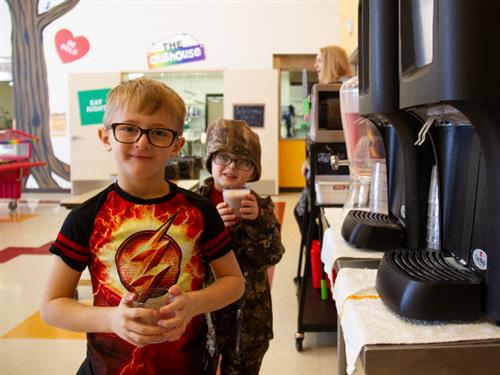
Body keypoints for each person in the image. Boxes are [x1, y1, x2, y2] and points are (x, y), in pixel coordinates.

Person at [40, 78, 245, 375]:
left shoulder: (199, 212)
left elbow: (234, 283)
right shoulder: (85, 218)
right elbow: (52, 305)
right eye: (128, 128)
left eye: (159, 132)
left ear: (177, 145)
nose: (142, 141)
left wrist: (192, 304)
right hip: (109, 367)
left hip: (186, 364)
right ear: (105, 137)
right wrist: (111, 320)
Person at [198, 118, 285, 374]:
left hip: (249, 319)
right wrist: (212, 232)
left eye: (244, 162)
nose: (231, 168)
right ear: (210, 159)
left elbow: (273, 256)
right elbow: (181, 261)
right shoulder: (194, 204)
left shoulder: (261, 206)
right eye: (223, 157)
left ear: (254, 170)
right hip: (203, 317)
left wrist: (258, 222)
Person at [295, 45, 354, 229]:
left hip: (334, 173)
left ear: (331, 61)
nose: (316, 65)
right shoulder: (329, 91)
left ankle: (318, 255)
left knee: (306, 215)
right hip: (323, 168)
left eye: (320, 60)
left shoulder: (344, 92)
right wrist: (308, 161)